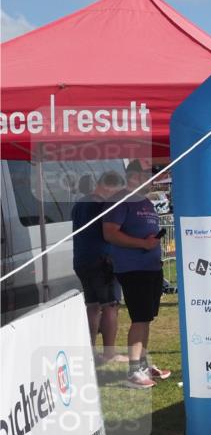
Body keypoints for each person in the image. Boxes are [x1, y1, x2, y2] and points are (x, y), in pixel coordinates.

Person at [103, 160, 171, 389]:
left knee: (146, 318)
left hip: (151, 267)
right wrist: (142, 244)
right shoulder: (121, 200)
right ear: (135, 176)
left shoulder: (145, 202)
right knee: (140, 318)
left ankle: (141, 363)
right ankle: (134, 371)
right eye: (149, 174)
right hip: (133, 269)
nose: (153, 179)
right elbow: (110, 233)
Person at [72, 171, 125, 364]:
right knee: (110, 306)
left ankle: (91, 350)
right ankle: (109, 353)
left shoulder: (80, 204)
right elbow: (111, 232)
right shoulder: (104, 206)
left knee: (92, 306)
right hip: (103, 261)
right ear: (108, 186)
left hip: (81, 260)